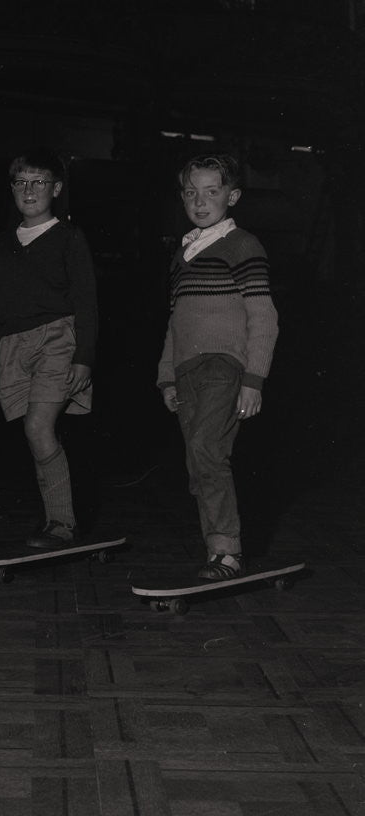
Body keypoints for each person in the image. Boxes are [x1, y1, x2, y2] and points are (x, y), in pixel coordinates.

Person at [157, 153, 279, 580]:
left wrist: (254, 381)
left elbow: (264, 317)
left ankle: (227, 552)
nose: (201, 201)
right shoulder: (182, 254)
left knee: (208, 451)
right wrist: (167, 375)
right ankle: (217, 548)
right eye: (192, 192)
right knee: (198, 460)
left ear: (233, 196)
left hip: (226, 366)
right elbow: (175, 321)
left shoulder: (243, 245)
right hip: (187, 370)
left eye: (212, 191)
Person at [0, 148, 97, 548]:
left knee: (38, 426)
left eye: (39, 182)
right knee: (34, 434)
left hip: (57, 339)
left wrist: (83, 357)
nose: (29, 190)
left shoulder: (69, 237)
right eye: (21, 182)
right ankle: (54, 519)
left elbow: (86, 301)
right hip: (13, 347)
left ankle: (64, 524)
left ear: (57, 188)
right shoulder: (2, 243)